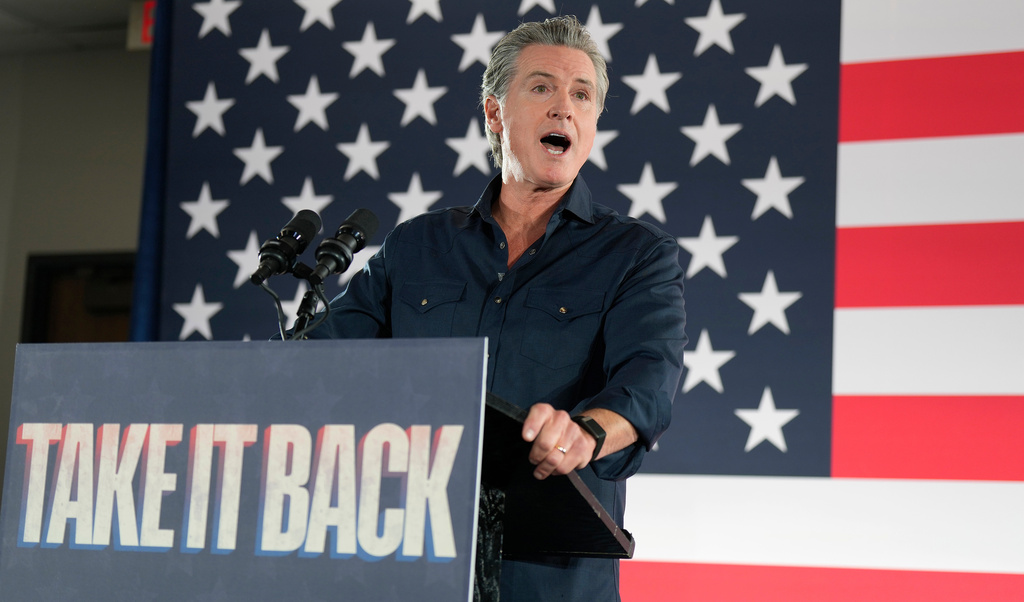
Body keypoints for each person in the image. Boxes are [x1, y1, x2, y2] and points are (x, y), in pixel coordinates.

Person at [306, 16, 686, 601]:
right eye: (542, 87)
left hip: (548, 575)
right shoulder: (417, 246)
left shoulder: (637, 257)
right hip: (413, 560)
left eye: (582, 96)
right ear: (494, 113)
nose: (565, 108)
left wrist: (584, 431)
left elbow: (646, 385)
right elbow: (327, 365)